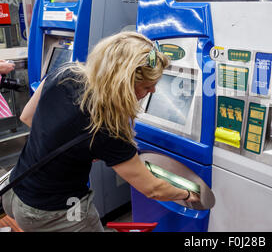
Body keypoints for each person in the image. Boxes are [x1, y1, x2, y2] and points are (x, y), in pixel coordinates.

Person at [1, 31, 200, 232]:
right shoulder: (108, 127)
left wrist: (76, 148)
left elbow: (27, 116)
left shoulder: (65, 72)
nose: (153, 92)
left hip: (17, 190)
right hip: (55, 213)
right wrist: (187, 195)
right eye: (147, 87)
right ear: (123, 85)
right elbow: (152, 189)